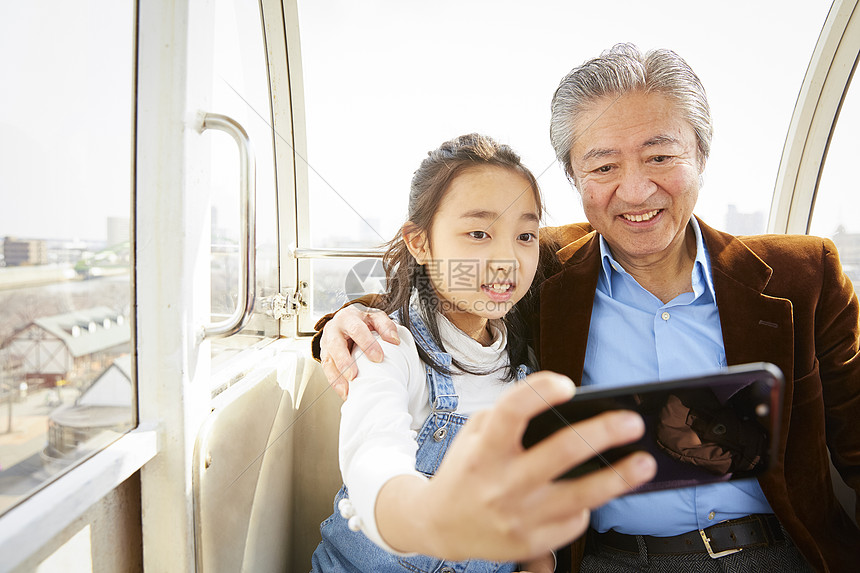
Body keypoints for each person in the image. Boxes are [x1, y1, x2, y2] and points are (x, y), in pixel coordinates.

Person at [315, 44, 860, 572]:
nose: (636, 189)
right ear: (574, 179)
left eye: (660, 156)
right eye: (603, 167)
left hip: (776, 553)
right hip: (614, 559)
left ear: (700, 158)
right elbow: (444, 286)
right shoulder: (541, 267)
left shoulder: (803, 275)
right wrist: (345, 322)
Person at [310, 133, 657, 573]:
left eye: (526, 235)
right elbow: (372, 460)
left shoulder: (525, 363)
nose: (506, 259)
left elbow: (528, 525)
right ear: (419, 243)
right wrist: (421, 516)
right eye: (478, 233)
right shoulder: (387, 350)